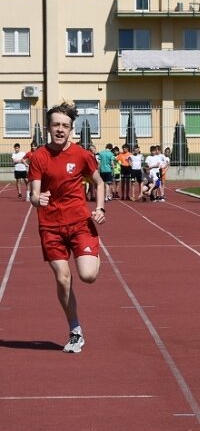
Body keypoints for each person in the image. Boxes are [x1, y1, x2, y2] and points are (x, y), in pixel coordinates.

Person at [27, 103, 106, 354]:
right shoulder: (39, 156)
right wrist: (35, 199)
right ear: (49, 128)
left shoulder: (82, 155)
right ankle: (75, 330)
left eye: (64, 125)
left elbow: (99, 181)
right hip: (50, 226)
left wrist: (101, 207)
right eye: (55, 125)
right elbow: (34, 193)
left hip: (80, 223)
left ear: (71, 128)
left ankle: (93, 256)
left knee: (88, 276)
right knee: (63, 278)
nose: (60, 129)